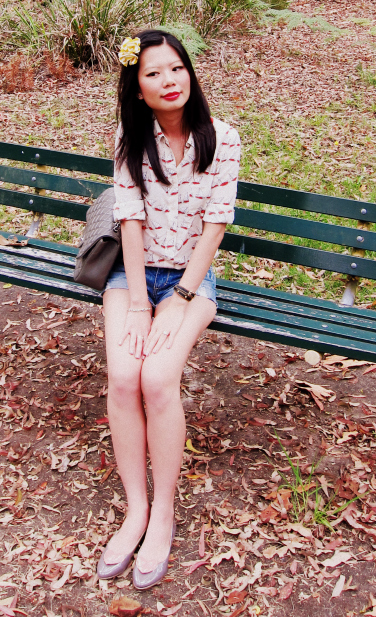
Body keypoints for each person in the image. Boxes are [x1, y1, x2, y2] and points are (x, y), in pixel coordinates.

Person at [97, 29, 241, 590]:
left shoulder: (222, 138)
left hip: (190, 282)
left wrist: (177, 300)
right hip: (131, 277)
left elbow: (216, 226)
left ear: (190, 73)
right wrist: (139, 303)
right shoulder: (129, 138)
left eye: (176, 68)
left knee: (157, 379)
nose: (169, 80)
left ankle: (163, 512)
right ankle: (136, 508)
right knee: (122, 377)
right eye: (153, 73)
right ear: (138, 88)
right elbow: (129, 219)